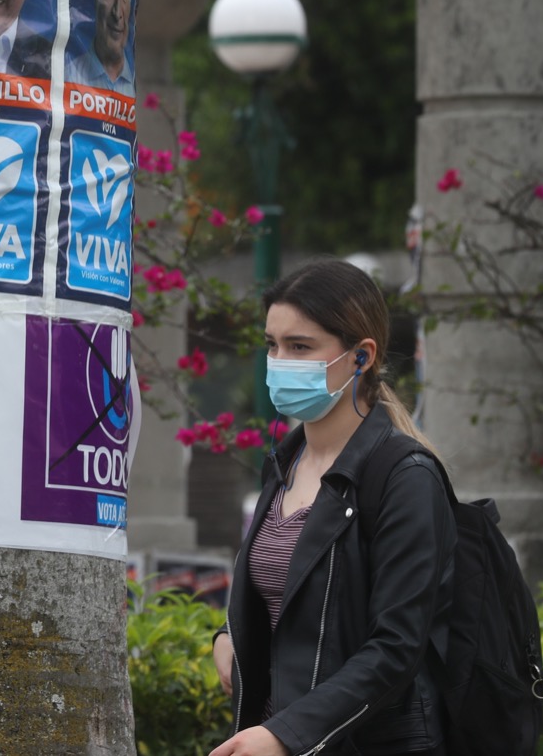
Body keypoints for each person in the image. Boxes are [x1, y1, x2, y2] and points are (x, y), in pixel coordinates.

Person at [209, 259, 455, 756]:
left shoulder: (405, 477)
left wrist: (285, 735)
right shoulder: (283, 463)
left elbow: (395, 649)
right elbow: (283, 595)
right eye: (272, 345)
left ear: (361, 356)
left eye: (300, 347)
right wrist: (227, 634)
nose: (278, 362)